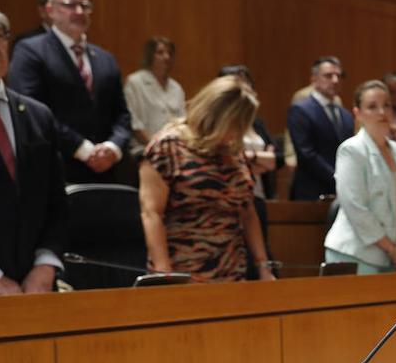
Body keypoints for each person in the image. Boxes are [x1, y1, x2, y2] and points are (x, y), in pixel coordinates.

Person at [138, 76, 273, 283]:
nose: (238, 133)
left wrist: (263, 266)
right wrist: (164, 273)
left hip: (232, 273)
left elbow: (248, 211)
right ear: (215, 116)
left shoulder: (232, 150)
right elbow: (151, 213)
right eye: (235, 125)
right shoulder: (167, 146)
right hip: (183, 273)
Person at [8, 0, 133, 185]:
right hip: (56, 170)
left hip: (108, 171)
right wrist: (82, 148)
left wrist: (113, 147)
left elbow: (122, 114)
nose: (79, 11)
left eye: (85, 6)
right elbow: (30, 110)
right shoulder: (30, 51)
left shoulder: (105, 58)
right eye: (69, 4)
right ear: (50, 10)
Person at [0, 10, 67, 295]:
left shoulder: (38, 115)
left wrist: (45, 265)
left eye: (1, 35)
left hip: (36, 288)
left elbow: (57, 203)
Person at [323, 80, 396, 274]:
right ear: (357, 113)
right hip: (355, 254)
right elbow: (355, 207)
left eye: (386, 106)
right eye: (372, 107)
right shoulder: (351, 150)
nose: (382, 112)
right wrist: (392, 249)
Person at [217, 65, 278, 263]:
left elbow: (276, 159)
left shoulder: (257, 123)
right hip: (230, 202)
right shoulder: (221, 125)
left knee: (261, 257)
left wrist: (248, 158)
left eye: (247, 84)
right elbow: (230, 156)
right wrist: (256, 158)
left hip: (258, 197)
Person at [287, 56, 354, 200]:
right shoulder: (300, 110)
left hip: (342, 192)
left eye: (339, 76)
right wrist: (337, 177)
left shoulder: (346, 115)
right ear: (314, 79)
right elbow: (307, 154)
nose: (335, 80)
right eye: (328, 76)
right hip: (311, 192)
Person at [124, 37, 186, 159]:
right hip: (143, 149)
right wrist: (156, 147)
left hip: (173, 150)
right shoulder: (135, 82)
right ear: (150, 56)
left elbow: (182, 122)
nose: (166, 57)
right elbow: (134, 123)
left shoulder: (176, 87)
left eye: (169, 53)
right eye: (160, 52)